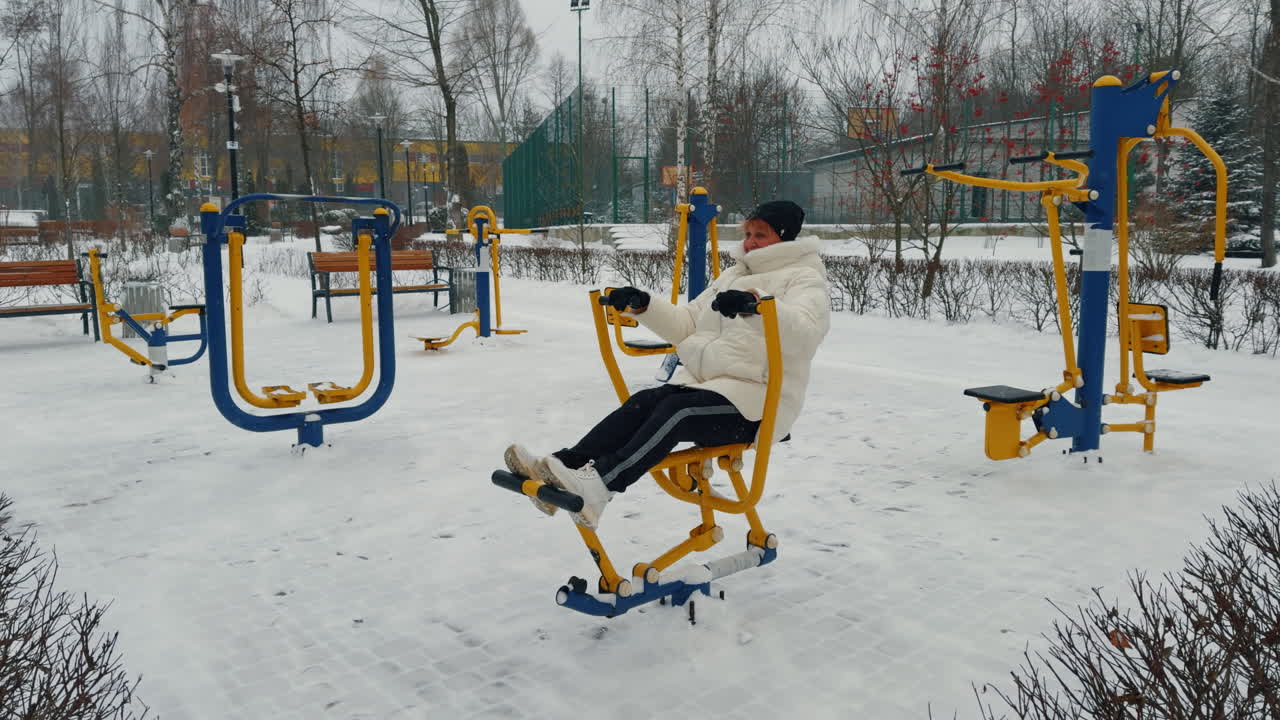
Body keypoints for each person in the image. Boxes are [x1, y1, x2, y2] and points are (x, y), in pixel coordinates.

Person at [505, 200, 830, 530]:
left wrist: (757, 308)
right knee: (644, 401)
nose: (749, 242)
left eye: (760, 235)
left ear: (786, 239)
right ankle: (561, 467)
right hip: (710, 388)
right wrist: (642, 305)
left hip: (758, 403)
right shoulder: (734, 275)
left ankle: (600, 485)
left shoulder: (804, 279)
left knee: (679, 412)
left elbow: (806, 335)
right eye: (747, 233)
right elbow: (688, 323)